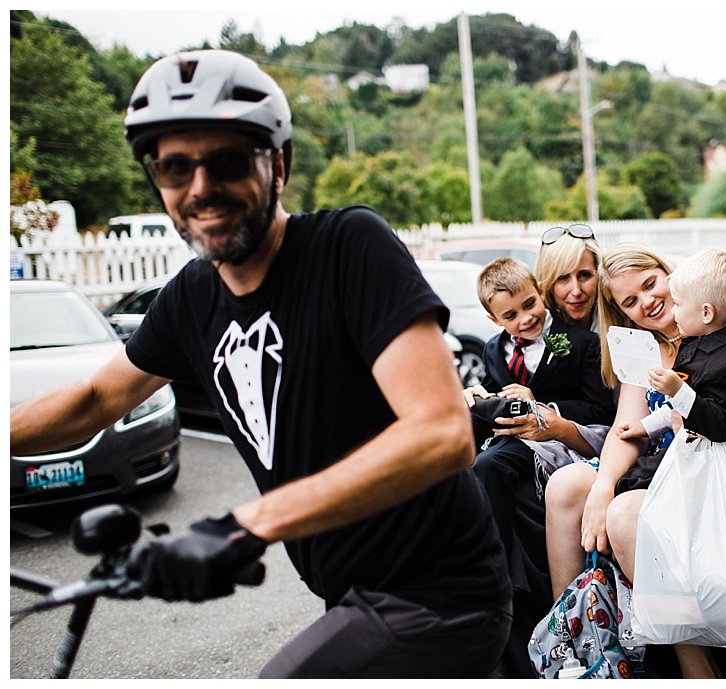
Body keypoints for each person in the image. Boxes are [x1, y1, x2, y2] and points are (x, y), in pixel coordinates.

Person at [9, 49, 512, 679]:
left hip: (440, 595)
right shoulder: (191, 299)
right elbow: (93, 402)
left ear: (277, 163)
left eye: (225, 161)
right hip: (349, 596)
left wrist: (240, 527)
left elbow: (442, 434)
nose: (199, 188)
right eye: (173, 167)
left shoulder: (345, 246)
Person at [544, 241, 726, 679]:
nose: (648, 302)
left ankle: (697, 669)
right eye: (630, 301)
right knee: (567, 486)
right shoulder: (642, 347)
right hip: (663, 468)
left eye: (651, 285)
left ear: (669, 274)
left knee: (626, 514)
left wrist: (695, 418)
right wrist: (601, 485)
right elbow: (626, 427)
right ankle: (576, 646)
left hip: (722, 469)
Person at [463, 256, 615, 678]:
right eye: (510, 315)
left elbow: (596, 407)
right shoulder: (494, 350)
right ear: (493, 318)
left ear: (540, 294)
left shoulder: (581, 344)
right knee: (472, 457)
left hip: (560, 444)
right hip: (513, 440)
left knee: (490, 466)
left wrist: (538, 403)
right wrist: (483, 399)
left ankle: (485, 566)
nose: (525, 318)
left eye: (530, 305)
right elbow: (498, 397)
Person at [616, 249, 726, 487]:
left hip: (723, 470)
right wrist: (645, 426)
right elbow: (685, 407)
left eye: (678, 304)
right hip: (698, 457)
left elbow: (718, 425)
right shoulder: (702, 341)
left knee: (634, 484)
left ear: (706, 312)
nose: (673, 310)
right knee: (629, 481)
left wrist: (678, 389)